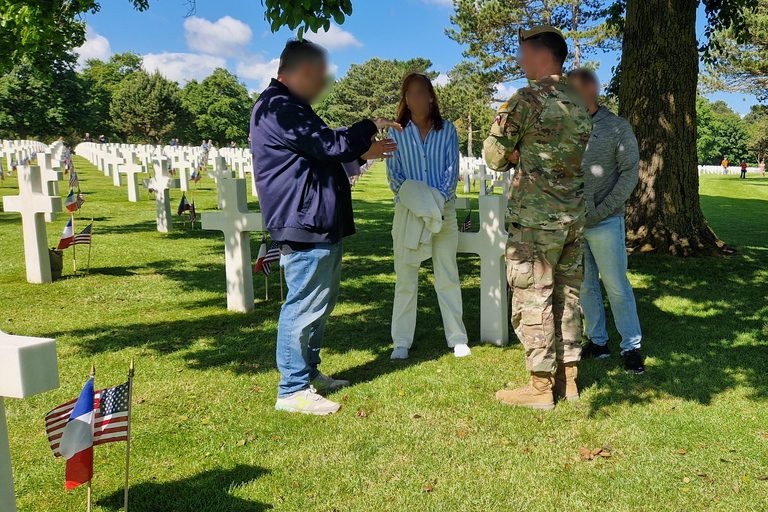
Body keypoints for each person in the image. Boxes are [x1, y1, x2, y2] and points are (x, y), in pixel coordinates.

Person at [250, 39, 400, 415]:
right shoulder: (279, 107)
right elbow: (329, 145)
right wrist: (368, 127)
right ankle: (292, 389)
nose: (322, 86)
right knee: (303, 304)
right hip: (303, 220)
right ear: (300, 72)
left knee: (320, 303)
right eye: (318, 77)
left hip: (317, 219)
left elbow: (316, 156)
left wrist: (361, 153)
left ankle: (308, 372)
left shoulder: (292, 107)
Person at [483, 26, 593, 410]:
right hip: (572, 219)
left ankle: (540, 387)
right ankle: (569, 381)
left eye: (522, 53)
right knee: (567, 297)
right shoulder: (579, 101)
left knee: (533, 298)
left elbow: (494, 157)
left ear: (541, 55)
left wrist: (515, 154)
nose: (518, 61)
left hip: (535, 222)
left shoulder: (526, 99)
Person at [386, 73, 471, 361]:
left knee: (447, 274)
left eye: (422, 92)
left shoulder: (447, 131)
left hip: (443, 212)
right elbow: (395, 177)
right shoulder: (395, 133)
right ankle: (401, 342)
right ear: (405, 100)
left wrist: (433, 205)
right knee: (406, 277)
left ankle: (457, 338)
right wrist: (420, 204)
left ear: (431, 96)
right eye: (410, 94)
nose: (416, 98)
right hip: (409, 214)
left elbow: (450, 175)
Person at [568, 68, 645, 375]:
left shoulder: (616, 126)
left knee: (616, 285)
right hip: (574, 222)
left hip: (605, 221)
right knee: (586, 286)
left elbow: (630, 174)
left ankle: (632, 346)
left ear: (591, 90)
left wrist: (602, 209)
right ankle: (598, 341)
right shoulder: (567, 126)